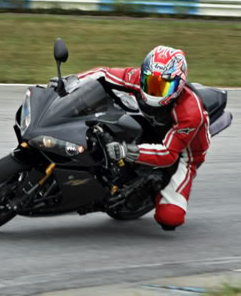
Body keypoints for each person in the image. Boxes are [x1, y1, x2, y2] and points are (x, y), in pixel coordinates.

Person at [77, 46, 211, 231]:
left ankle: (155, 184)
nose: (153, 90)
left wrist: (125, 151)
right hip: (153, 128)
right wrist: (72, 81)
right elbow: (103, 74)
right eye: (150, 82)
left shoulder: (190, 113)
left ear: (178, 86)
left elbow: (168, 153)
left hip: (183, 153)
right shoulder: (138, 77)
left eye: (161, 86)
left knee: (170, 218)